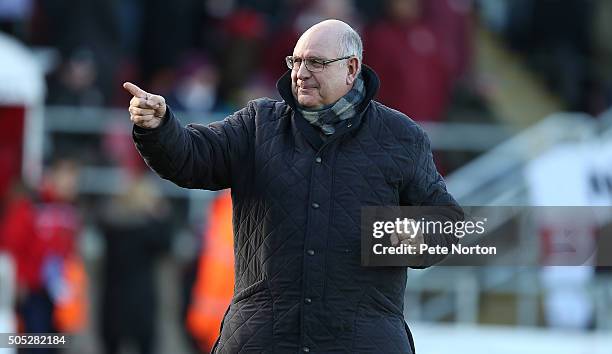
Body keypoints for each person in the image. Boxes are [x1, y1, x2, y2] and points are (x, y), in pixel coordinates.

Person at [125, 19, 460, 353]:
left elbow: (447, 222)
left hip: (363, 341)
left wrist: (416, 238)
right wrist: (160, 127)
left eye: (315, 62)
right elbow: (192, 157)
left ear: (351, 68)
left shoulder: (401, 136)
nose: (300, 73)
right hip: (263, 339)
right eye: (296, 61)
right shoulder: (257, 124)